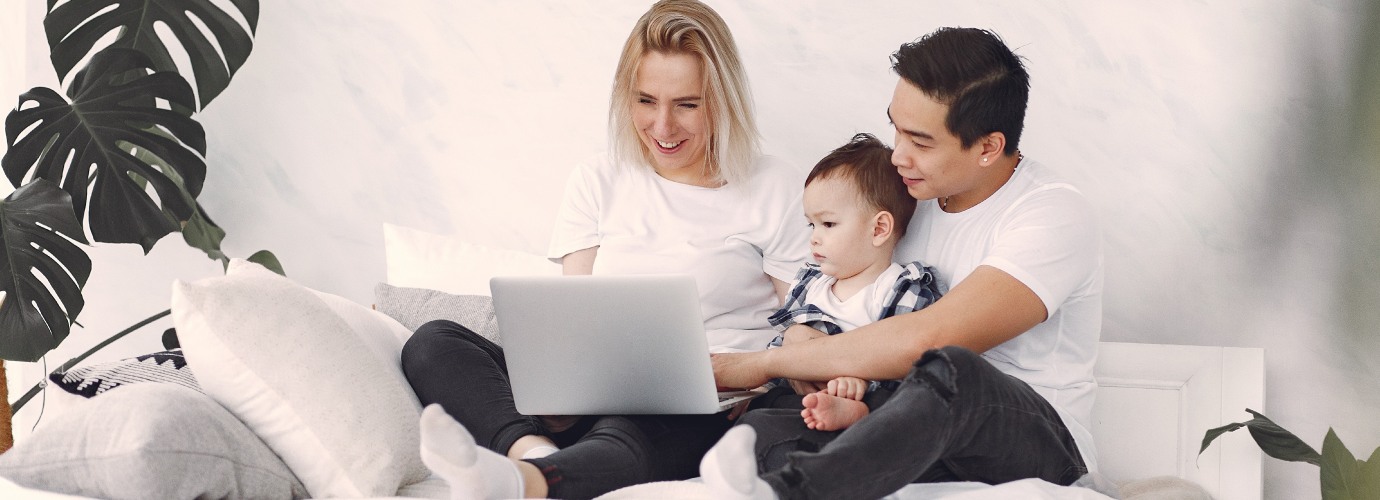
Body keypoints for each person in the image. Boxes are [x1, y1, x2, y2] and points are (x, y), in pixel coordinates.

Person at [399, 1, 810, 499]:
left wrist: (761, 381)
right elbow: (577, 315)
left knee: (633, 427)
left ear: (723, 101)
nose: (662, 127)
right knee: (432, 342)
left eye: (687, 104)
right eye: (645, 101)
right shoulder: (598, 178)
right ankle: (532, 453)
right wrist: (562, 389)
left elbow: (803, 325)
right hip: (598, 391)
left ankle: (533, 484)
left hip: (708, 400)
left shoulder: (775, 186)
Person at [704, 27, 1104, 500]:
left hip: (1032, 441)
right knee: (765, 431)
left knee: (951, 365)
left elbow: (929, 338)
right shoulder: (906, 203)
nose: (898, 154)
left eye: (920, 140)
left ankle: (794, 494)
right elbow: (844, 305)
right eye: (895, 127)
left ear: (988, 147)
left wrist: (761, 363)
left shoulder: (1053, 213)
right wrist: (802, 345)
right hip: (901, 422)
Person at [756, 133, 943, 432]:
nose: (814, 236)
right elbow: (780, 352)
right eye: (811, 224)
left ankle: (854, 411)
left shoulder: (901, 288)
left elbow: (910, 361)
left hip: (875, 397)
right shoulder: (810, 283)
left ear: (879, 228)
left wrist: (854, 377)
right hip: (800, 398)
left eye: (828, 224)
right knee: (761, 410)